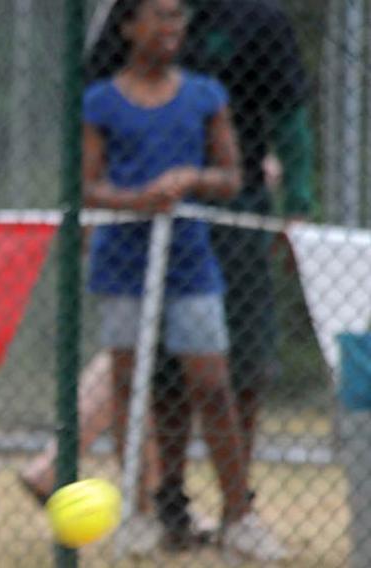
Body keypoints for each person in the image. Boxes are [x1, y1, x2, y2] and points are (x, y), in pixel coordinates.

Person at [23, 0, 315, 555]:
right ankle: (142, 510)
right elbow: (86, 184)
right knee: (136, 384)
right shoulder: (102, 100)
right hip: (124, 260)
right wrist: (137, 199)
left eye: (177, 17)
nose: (170, 28)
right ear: (129, 27)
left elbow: (233, 176)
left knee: (213, 382)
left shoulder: (206, 94)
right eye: (157, 16)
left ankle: (239, 513)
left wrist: (192, 179)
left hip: (192, 260)